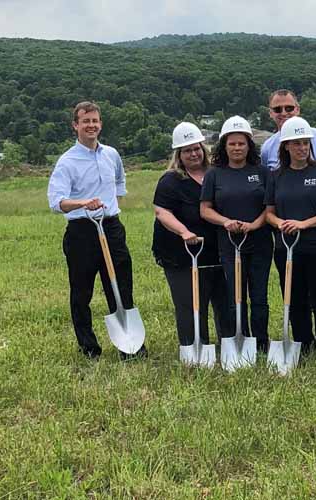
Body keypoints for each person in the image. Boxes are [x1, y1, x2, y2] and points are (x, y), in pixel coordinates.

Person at [46, 101, 144, 360]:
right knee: (81, 292)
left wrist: (111, 207)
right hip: (81, 231)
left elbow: (120, 182)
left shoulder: (111, 154)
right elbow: (56, 202)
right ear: (75, 125)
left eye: (95, 121)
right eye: (85, 121)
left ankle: (130, 347)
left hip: (111, 227)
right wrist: (83, 203)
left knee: (121, 286)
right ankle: (88, 347)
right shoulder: (67, 162)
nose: (91, 125)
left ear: (100, 124)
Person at [258, 89, 316, 352]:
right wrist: (279, 224)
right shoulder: (272, 162)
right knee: (294, 296)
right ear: (285, 146)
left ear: (297, 108)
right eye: (278, 109)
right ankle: (302, 343)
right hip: (286, 243)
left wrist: (305, 224)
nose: (284, 113)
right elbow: (269, 209)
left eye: (289, 108)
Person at [153, 121, 232, 356]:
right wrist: (183, 232)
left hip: (218, 250)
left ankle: (228, 345)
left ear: (204, 148)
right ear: (179, 154)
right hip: (182, 254)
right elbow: (162, 212)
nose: (194, 153)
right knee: (190, 304)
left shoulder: (216, 174)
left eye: (197, 148)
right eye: (187, 150)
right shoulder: (170, 181)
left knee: (224, 301)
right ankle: (195, 347)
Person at [200, 116, 272, 353]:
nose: (237, 147)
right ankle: (242, 339)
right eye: (232, 143)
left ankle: (261, 343)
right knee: (236, 297)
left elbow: (270, 208)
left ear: (249, 145)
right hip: (230, 244)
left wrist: (254, 225)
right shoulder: (214, 174)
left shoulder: (262, 172)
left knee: (259, 296)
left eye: (242, 143)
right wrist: (226, 222)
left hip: (259, 242)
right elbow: (205, 209)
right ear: (224, 146)